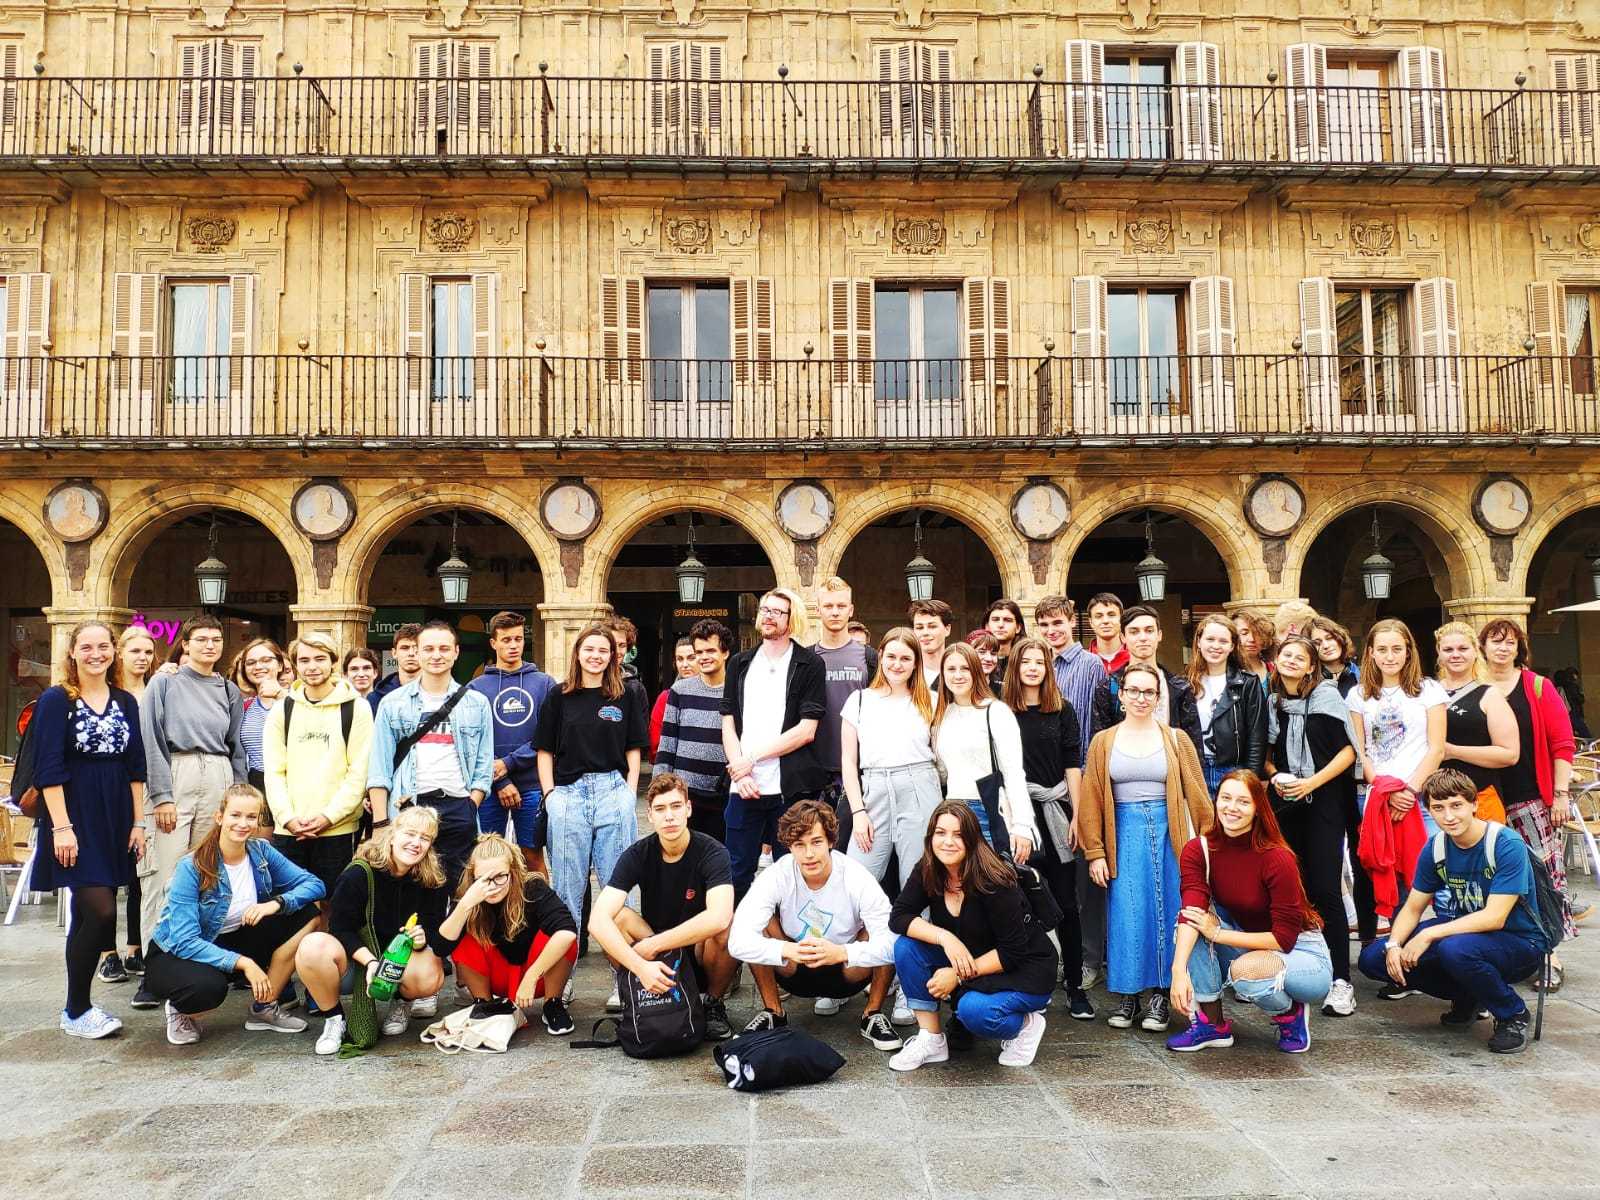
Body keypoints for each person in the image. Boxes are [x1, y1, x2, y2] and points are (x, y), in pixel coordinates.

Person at [1357, 769, 1549, 1054]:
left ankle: (1512, 1013)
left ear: (1474, 804)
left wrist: (1429, 934)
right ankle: (1470, 994)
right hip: (1465, 934)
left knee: (1455, 950)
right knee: (1374, 958)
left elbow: (1494, 917)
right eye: (1438, 808)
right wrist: (1395, 945)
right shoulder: (1436, 846)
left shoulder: (1505, 843)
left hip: (1520, 941)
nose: (1448, 816)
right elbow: (1413, 907)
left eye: (1456, 805)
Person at [1079, 664, 1213, 1033]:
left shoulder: (1176, 739)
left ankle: (1161, 995)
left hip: (1171, 833)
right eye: (1133, 691)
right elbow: (1091, 799)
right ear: (1121, 695)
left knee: (1169, 909)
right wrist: (1095, 853)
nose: (1141, 698)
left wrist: (1207, 844)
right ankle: (1128, 994)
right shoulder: (1103, 741)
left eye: (1149, 692)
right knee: (1126, 913)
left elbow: (1198, 793)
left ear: (1158, 698)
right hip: (1122, 833)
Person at [34, 622, 148, 1038]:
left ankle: (76, 1009)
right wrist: (62, 827)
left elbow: (136, 766)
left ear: (113, 651)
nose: (96, 654)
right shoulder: (57, 699)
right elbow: (48, 767)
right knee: (100, 911)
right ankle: (77, 1008)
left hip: (115, 813)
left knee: (87, 913)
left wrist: (138, 822)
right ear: (73, 652)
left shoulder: (125, 700)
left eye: (103, 646)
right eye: (86, 647)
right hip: (74, 813)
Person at [143, 783, 324, 1045]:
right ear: (220, 817)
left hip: (232, 937)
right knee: (208, 990)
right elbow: (184, 940)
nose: (243, 823)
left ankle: (264, 1008)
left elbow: (315, 885)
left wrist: (275, 904)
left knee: (308, 914)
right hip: (176, 953)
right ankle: (180, 1009)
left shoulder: (261, 851)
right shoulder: (191, 866)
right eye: (235, 815)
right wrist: (244, 963)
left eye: (251, 817)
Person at [1166, 770, 1330, 1054]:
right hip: (1248, 939)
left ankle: (1290, 1013)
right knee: (1190, 927)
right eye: (1226, 798)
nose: (1232, 807)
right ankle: (1212, 1024)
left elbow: (1283, 939)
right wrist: (1178, 972)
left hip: (1303, 954)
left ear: (1257, 809)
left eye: (1243, 802)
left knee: (1246, 972)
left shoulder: (1277, 857)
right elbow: (1191, 911)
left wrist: (1218, 934)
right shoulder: (1198, 849)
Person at [886, 801, 1058, 1071]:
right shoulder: (929, 868)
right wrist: (945, 938)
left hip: (1023, 970)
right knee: (906, 947)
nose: (948, 842)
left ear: (972, 839)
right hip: (972, 956)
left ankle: (1027, 1023)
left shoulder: (995, 880)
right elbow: (899, 916)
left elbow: (1012, 953)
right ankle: (931, 1039)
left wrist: (957, 975)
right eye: (940, 833)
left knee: (974, 1011)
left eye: (958, 835)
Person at [135, 616, 247, 1011]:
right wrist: (162, 796)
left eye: (216, 639)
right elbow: (150, 739)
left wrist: (237, 794)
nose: (209, 646)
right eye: (201, 639)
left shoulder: (228, 689)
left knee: (207, 875)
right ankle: (154, 970)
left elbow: (235, 744)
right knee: (163, 876)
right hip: (176, 770)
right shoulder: (164, 683)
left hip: (217, 772)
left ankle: (199, 962)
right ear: (185, 643)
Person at [729, 799, 900, 1048]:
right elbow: (737, 942)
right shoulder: (777, 874)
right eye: (799, 844)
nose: (809, 854)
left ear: (830, 841)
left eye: (817, 842)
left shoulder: (856, 875)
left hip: (848, 970)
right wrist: (789, 949)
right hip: (792, 965)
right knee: (758, 922)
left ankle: (872, 1013)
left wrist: (841, 952)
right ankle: (773, 1011)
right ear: (789, 846)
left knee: (887, 927)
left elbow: (893, 944)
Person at [537, 621, 647, 1006]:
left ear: (613, 656)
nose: (596, 656)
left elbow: (635, 748)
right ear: (578, 653)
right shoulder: (559, 695)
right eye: (590, 649)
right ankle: (561, 979)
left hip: (612, 790)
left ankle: (623, 978)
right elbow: (544, 750)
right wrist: (550, 795)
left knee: (619, 888)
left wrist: (629, 792)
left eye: (603, 650)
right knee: (567, 891)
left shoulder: (624, 695)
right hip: (568, 793)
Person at [589, 774, 736, 1040]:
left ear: (688, 809)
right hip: (656, 958)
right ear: (649, 815)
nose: (669, 816)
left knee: (728, 927)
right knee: (617, 918)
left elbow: (720, 917)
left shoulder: (713, 851)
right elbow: (597, 921)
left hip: (697, 951)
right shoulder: (638, 854)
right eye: (660, 809)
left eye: (676, 806)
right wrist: (639, 966)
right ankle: (638, 993)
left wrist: (655, 944)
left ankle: (713, 1004)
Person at [295, 805, 452, 1054]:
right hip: (356, 958)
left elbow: (435, 931)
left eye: (425, 838)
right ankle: (334, 1018)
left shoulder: (432, 879)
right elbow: (340, 928)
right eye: (410, 834)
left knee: (430, 970)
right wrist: (369, 962)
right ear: (393, 835)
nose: (416, 843)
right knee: (312, 947)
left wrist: (422, 940)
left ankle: (402, 1002)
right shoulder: (359, 873)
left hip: (397, 961)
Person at [1481, 618, 1579, 985]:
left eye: (1510, 642)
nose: (1503, 648)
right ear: (1483, 647)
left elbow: (1562, 744)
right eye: (1495, 641)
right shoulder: (1474, 688)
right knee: (1494, 880)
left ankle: (1550, 954)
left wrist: (1561, 793)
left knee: (1545, 876)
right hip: (1485, 799)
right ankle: (1508, 953)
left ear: (1519, 648)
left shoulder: (1538, 686)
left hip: (1530, 798)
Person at [1266, 635, 1360, 1016]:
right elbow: (1268, 755)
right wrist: (1276, 776)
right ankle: (1294, 969)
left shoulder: (1326, 697)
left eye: (1299, 657)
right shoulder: (1273, 702)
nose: (1291, 660)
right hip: (1285, 802)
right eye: (1285, 654)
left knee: (1325, 887)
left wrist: (1311, 783)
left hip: (1324, 801)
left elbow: (1348, 751)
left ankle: (1341, 981)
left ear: (1311, 666)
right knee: (1291, 885)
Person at [368, 620, 494, 893]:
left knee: (459, 890)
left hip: (458, 805)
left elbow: (484, 766)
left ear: (456, 652)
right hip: (409, 805)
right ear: (418, 652)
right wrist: (381, 823)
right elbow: (379, 768)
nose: (436, 655)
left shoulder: (477, 703)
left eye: (444, 648)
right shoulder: (393, 703)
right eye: (429, 648)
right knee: (408, 889)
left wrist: (471, 805)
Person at [1004, 637, 1092, 1019]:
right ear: (1015, 667)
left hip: (1055, 812)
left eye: (1039, 662)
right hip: (1016, 814)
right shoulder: (1001, 710)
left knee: (1066, 903)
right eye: (1026, 661)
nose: (1033, 668)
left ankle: (1074, 986)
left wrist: (1077, 816)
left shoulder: (1062, 710)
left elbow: (1073, 764)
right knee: (1016, 902)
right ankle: (1025, 983)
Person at [721, 588, 827, 900]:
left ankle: (787, 930)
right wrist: (740, 772)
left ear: (792, 619)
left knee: (791, 872)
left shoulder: (809, 664)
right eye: (765, 609)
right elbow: (728, 722)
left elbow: (807, 730)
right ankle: (736, 931)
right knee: (736, 872)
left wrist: (750, 759)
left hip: (788, 787)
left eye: (778, 611)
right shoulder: (740, 663)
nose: (768, 616)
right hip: (743, 787)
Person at [263, 632, 375, 900]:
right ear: (294, 665)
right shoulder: (282, 709)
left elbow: (359, 772)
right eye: (304, 660)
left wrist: (328, 817)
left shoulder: (356, 708)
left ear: (333, 662)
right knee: (289, 906)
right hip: (289, 829)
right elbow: (274, 772)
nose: (312, 666)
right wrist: (288, 818)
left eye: (320, 659)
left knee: (332, 905)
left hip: (337, 828)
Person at [1034, 595, 1108, 991]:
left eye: (1058, 623)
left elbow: (1095, 726)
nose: (1052, 631)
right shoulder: (1036, 664)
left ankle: (1089, 959)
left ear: (1071, 622)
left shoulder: (1090, 665)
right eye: (1045, 625)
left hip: (1080, 781)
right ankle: (1058, 958)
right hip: (1044, 785)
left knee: (1082, 880)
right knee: (1050, 880)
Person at [437, 834, 578, 1036]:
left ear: (512, 872)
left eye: (500, 877)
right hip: (496, 975)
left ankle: (553, 1003)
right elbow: (442, 947)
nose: (492, 886)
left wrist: (531, 976)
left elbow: (567, 931)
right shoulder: (469, 894)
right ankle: (483, 1003)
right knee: (460, 933)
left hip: (535, 976)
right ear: (473, 876)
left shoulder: (532, 887)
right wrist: (466, 904)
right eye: (484, 879)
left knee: (561, 936)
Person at [840, 627, 942, 890]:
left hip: (920, 789)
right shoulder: (858, 700)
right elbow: (848, 762)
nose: (897, 665)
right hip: (874, 793)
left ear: (916, 663)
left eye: (906, 658)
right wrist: (858, 812)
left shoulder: (931, 701)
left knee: (919, 882)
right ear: (881, 656)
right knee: (855, 880)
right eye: (892, 657)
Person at [469, 612, 557, 872]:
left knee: (533, 857)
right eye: (506, 640)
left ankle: (537, 901)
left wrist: (509, 763)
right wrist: (501, 780)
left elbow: (550, 735)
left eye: (518, 639)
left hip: (533, 784)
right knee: (488, 857)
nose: (513, 645)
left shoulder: (544, 683)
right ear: (493, 643)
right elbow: (474, 741)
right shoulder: (476, 688)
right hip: (489, 786)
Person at [932, 642, 1037, 860]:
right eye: (951, 669)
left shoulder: (996, 711)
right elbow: (942, 771)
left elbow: (1014, 772)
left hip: (988, 810)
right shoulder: (942, 714)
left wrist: (1022, 825)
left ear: (976, 671)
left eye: (965, 668)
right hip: (952, 811)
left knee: (992, 878)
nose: (958, 675)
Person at [99, 626, 158, 985]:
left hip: (147, 789)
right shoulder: (108, 693)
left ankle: (135, 947)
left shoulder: (156, 691)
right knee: (105, 874)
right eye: (135, 651)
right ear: (120, 652)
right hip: (109, 788)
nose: (142, 658)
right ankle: (107, 953)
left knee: (141, 873)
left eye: (148, 652)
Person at [653, 619, 734, 842]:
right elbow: (667, 744)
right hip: (684, 795)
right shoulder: (680, 690)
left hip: (723, 796)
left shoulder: (737, 691)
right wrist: (659, 789)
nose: (704, 657)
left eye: (711, 651)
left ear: (725, 652)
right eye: (699, 652)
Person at [1089, 605, 1204, 753]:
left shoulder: (1180, 687)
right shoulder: (1108, 686)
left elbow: (1193, 746)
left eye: (1149, 631)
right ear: (1123, 637)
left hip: (1170, 763)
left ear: (1159, 635)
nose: (1143, 638)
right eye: (1134, 632)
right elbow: (1099, 744)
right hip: (1122, 764)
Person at [1436, 622, 1517, 824]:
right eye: (1448, 650)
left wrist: (1453, 751)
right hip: (1435, 799)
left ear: (1475, 651)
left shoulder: (1490, 695)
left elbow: (1510, 754)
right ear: (1439, 653)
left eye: (1463, 648)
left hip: (1480, 796)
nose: (1455, 655)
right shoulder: (1427, 692)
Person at [812, 576, 878, 816]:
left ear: (851, 610)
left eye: (841, 606)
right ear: (818, 610)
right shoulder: (807, 658)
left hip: (860, 768)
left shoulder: (869, 657)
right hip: (816, 770)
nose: (835, 612)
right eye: (828, 606)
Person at [1183, 614, 1268, 795]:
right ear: (1199, 642)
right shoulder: (1184, 684)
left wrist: (1250, 779)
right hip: (1195, 770)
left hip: (1234, 770)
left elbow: (1257, 738)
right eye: (1210, 639)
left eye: (1223, 641)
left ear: (1232, 646)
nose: (1216, 646)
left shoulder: (1247, 683)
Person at [231, 638, 286, 795]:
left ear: (280, 665)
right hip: (255, 785)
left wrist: (281, 695)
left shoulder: (297, 700)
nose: (258, 666)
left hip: (290, 784)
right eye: (251, 663)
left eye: (266, 660)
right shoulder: (244, 706)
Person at [650, 637, 697, 760]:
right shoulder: (666, 697)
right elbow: (656, 746)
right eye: (680, 659)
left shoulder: (718, 694)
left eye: (691, 658)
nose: (685, 665)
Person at [369, 622, 422, 713]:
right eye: (405, 648)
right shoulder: (376, 698)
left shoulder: (441, 693)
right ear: (394, 653)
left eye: (417, 648)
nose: (411, 653)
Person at [607, 616, 652, 718]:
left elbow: (641, 726)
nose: (617, 651)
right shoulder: (588, 682)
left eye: (622, 645)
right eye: (612, 644)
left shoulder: (636, 688)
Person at [909, 598, 955, 691]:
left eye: (932, 626)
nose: (925, 633)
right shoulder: (906, 672)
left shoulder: (960, 671)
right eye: (919, 627)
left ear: (947, 629)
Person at [1086, 593, 1129, 674]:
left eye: (1111, 615)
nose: (1105, 621)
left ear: (1121, 619)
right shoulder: (1082, 662)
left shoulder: (1135, 657)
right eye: (1099, 616)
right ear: (1091, 622)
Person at [1233, 610, 1275, 691]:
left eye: (1257, 633)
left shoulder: (1273, 669)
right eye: (1244, 633)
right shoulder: (1226, 670)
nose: (1252, 639)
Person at [984, 598, 1025, 675]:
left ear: (1018, 627)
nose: (1001, 625)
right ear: (987, 626)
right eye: (995, 620)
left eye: (1007, 620)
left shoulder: (1026, 659)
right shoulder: (975, 658)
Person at [966, 630, 1003, 696]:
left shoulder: (1005, 691)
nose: (989, 658)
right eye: (982, 652)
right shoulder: (957, 689)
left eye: (993, 653)